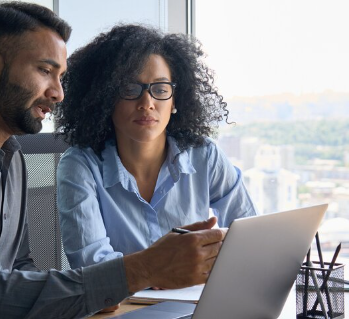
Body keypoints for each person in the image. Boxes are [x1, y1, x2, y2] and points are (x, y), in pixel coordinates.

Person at [0, 3, 226, 318]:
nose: (59, 93)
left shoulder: (11, 155)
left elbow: (21, 269)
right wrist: (146, 268)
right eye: (45, 71)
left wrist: (98, 294)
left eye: (61, 77)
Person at [55, 24, 257, 270]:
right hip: (120, 307)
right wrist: (159, 271)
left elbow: (250, 235)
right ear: (106, 98)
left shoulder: (204, 155)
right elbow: (93, 268)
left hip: (196, 301)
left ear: (175, 100)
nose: (147, 103)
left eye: (161, 89)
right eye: (130, 89)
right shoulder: (80, 166)